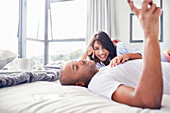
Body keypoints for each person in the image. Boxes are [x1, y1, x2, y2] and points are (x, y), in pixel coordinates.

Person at [59, 0, 170, 109]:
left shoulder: (103, 69)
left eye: (75, 61)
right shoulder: (98, 83)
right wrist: (150, 34)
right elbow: (147, 100)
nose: (80, 61)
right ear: (80, 84)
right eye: (76, 67)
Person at [82, 31, 170, 69]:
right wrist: (86, 53)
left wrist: (127, 56)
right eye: (97, 49)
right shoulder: (98, 65)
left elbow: (143, 56)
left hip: (160, 58)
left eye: (104, 47)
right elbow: (80, 68)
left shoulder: (120, 47)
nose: (101, 52)